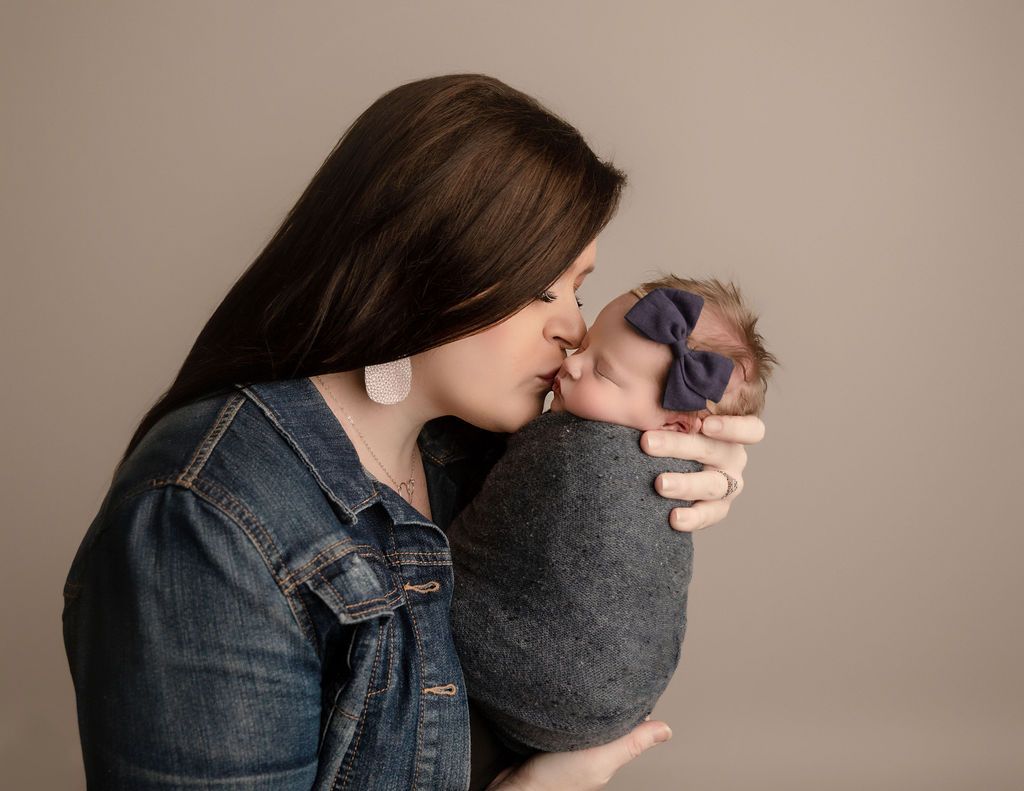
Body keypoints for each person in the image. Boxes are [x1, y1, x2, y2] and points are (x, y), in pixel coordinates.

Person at [61, 74, 765, 791]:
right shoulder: (203, 521)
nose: (574, 326)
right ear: (421, 270)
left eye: (578, 290)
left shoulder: (476, 454)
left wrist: (662, 474)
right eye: (539, 289)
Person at [447, 277, 777, 763]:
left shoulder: (579, 449)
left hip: (535, 678)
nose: (571, 362)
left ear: (675, 428)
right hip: (616, 709)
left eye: (602, 370)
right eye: (584, 348)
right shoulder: (635, 445)